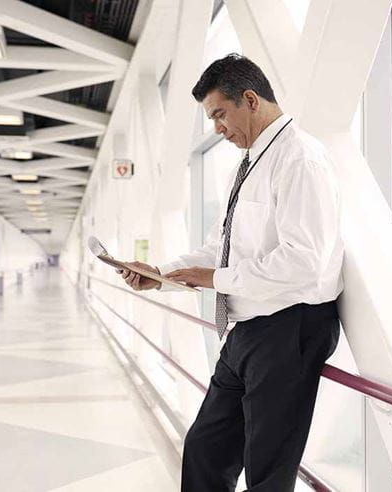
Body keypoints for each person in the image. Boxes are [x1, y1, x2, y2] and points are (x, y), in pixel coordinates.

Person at [117, 53, 344, 492]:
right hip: (247, 329)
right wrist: (163, 272)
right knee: (205, 449)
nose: (217, 128)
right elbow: (221, 247)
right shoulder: (248, 164)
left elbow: (304, 261)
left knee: (267, 470)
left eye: (220, 114)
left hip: (289, 327)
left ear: (251, 99)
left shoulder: (299, 158)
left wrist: (213, 279)